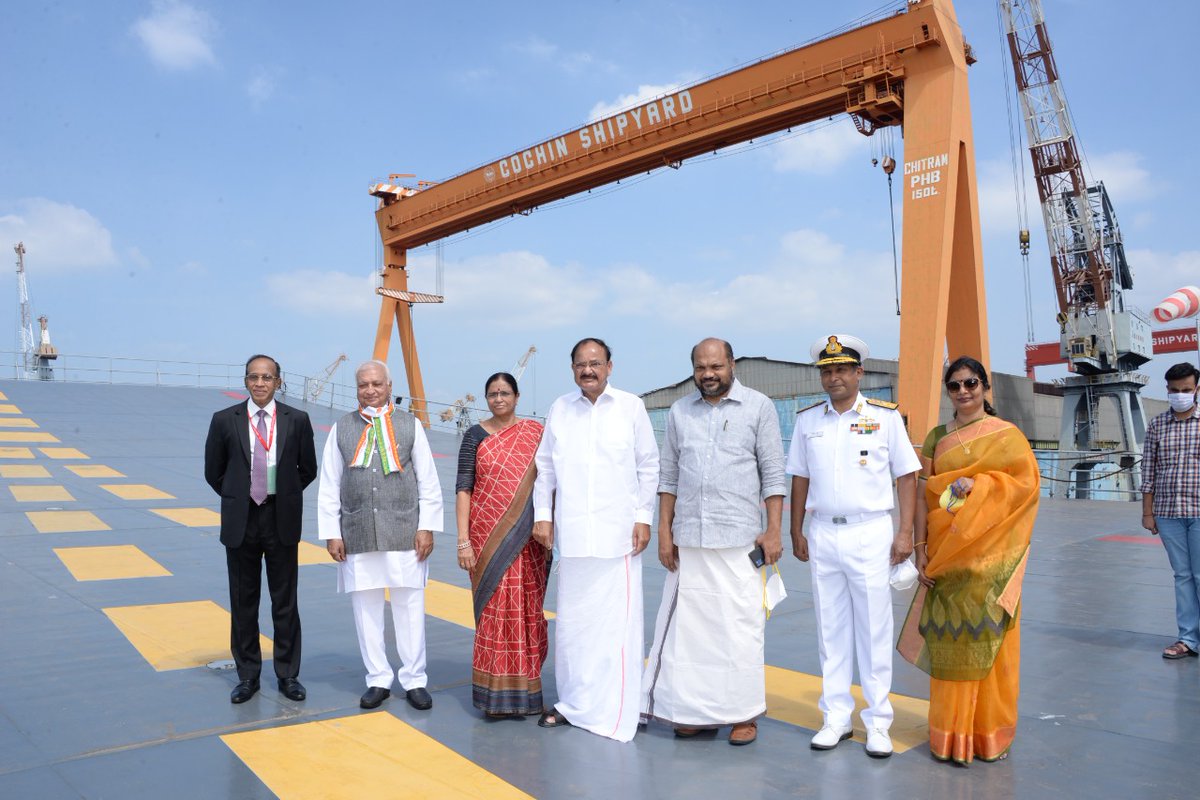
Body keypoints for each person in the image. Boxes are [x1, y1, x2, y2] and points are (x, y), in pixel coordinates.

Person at [641, 338, 786, 746]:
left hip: (739, 540)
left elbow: (774, 474)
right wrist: (665, 532)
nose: (709, 374)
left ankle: (743, 714)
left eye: (716, 366)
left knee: (740, 630)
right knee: (694, 634)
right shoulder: (678, 411)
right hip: (689, 540)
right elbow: (668, 478)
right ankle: (697, 713)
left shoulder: (758, 407)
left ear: (731, 364)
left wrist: (773, 530)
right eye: (701, 367)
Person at [897, 356, 1040, 765]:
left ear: (985, 387)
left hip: (991, 559)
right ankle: (949, 736)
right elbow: (926, 498)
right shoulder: (937, 437)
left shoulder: (1007, 435)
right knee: (950, 644)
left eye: (971, 383)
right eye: (955, 385)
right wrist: (921, 550)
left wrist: (981, 484)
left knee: (991, 644)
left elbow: (1026, 488)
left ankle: (987, 736)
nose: (963, 392)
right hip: (946, 557)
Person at [786, 334, 919, 758]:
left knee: (873, 629)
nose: (834, 377)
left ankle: (878, 722)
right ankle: (836, 717)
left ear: (859, 372)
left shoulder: (884, 418)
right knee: (831, 629)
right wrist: (795, 530)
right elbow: (799, 478)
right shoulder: (808, 421)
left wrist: (905, 533)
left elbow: (907, 477)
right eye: (827, 370)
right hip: (823, 531)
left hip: (871, 531)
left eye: (842, 369)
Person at [532, 337, 659, 742]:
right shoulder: (560, 408)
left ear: (610, 365)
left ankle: (618, 707)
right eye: (581, 364)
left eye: (596, 363)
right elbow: (545, 468)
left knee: (617, 627)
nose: (588, 370)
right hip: (572, 535)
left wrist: (643, 518)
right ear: (572, 370)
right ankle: (573, 703)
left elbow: (648, 466)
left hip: (618, 534)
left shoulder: (630, 407)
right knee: (573, 626)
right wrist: (544, 517)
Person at [317, 360, 443, 711]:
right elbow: (330, 483)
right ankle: (377, 678)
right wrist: (331, 532)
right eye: (362, 385)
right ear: (356, 389)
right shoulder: (342, 428)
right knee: (366, 609)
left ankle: (415, 679)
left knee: (409, 607)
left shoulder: (410, 425)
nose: (369, 390)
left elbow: (428, 481)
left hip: (404, 531)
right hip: (357, 531)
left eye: (376, 384)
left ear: (389, 386)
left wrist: (426, 527)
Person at [204, 354, 317, 704]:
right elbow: (213, 471)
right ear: (245, 381)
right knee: (243, 601)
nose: (260, 383)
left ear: (278, 382)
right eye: (254, 377)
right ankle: (248, 676)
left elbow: (307, 469)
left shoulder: (296, 420)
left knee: (285, 602)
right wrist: (239, 495)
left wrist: (279, 494)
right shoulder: (224, 420)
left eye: (267, 377)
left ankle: (288, 675)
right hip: (242, 520)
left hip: (280, 517)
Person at [455, 372, 550, 717]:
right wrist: (463, 541)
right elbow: (464, 488)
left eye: (504, 393)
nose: (498, 399)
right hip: (486, 540)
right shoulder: (474, 436)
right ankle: (493, 698)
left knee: (526, 611)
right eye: (492, 393)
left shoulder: (536, 435)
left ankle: (527, 694)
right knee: (494, 613)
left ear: (517, 396)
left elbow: (549, 482)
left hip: (528, 540)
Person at [1140, 362, 1200, 660]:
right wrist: (1147, 513)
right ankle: (1187, 639)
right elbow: (1148, 471)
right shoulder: (1157, 425)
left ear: (1196, 389)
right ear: (1167, 391)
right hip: (1168, 513)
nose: (1180, 395)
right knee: (1182, 576)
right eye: (1175, 391)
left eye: (1186, 390)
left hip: (1199, 511)